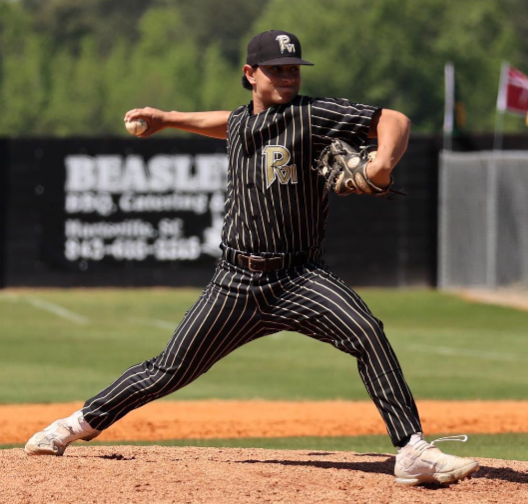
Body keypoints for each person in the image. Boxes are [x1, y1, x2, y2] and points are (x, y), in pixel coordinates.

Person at [25, 29, 479, 486]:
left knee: (366, 332)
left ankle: (412, 450)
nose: (287, 77)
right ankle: (74, 425)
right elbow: (224, 122)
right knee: (169, 369)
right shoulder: (243, 122)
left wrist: (382, 163)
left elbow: (393, 119)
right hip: (235, 282)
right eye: (276, 69)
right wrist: (168, 118)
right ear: (250, 73)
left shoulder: (312, 115)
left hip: (299, 276)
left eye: (293, 69)